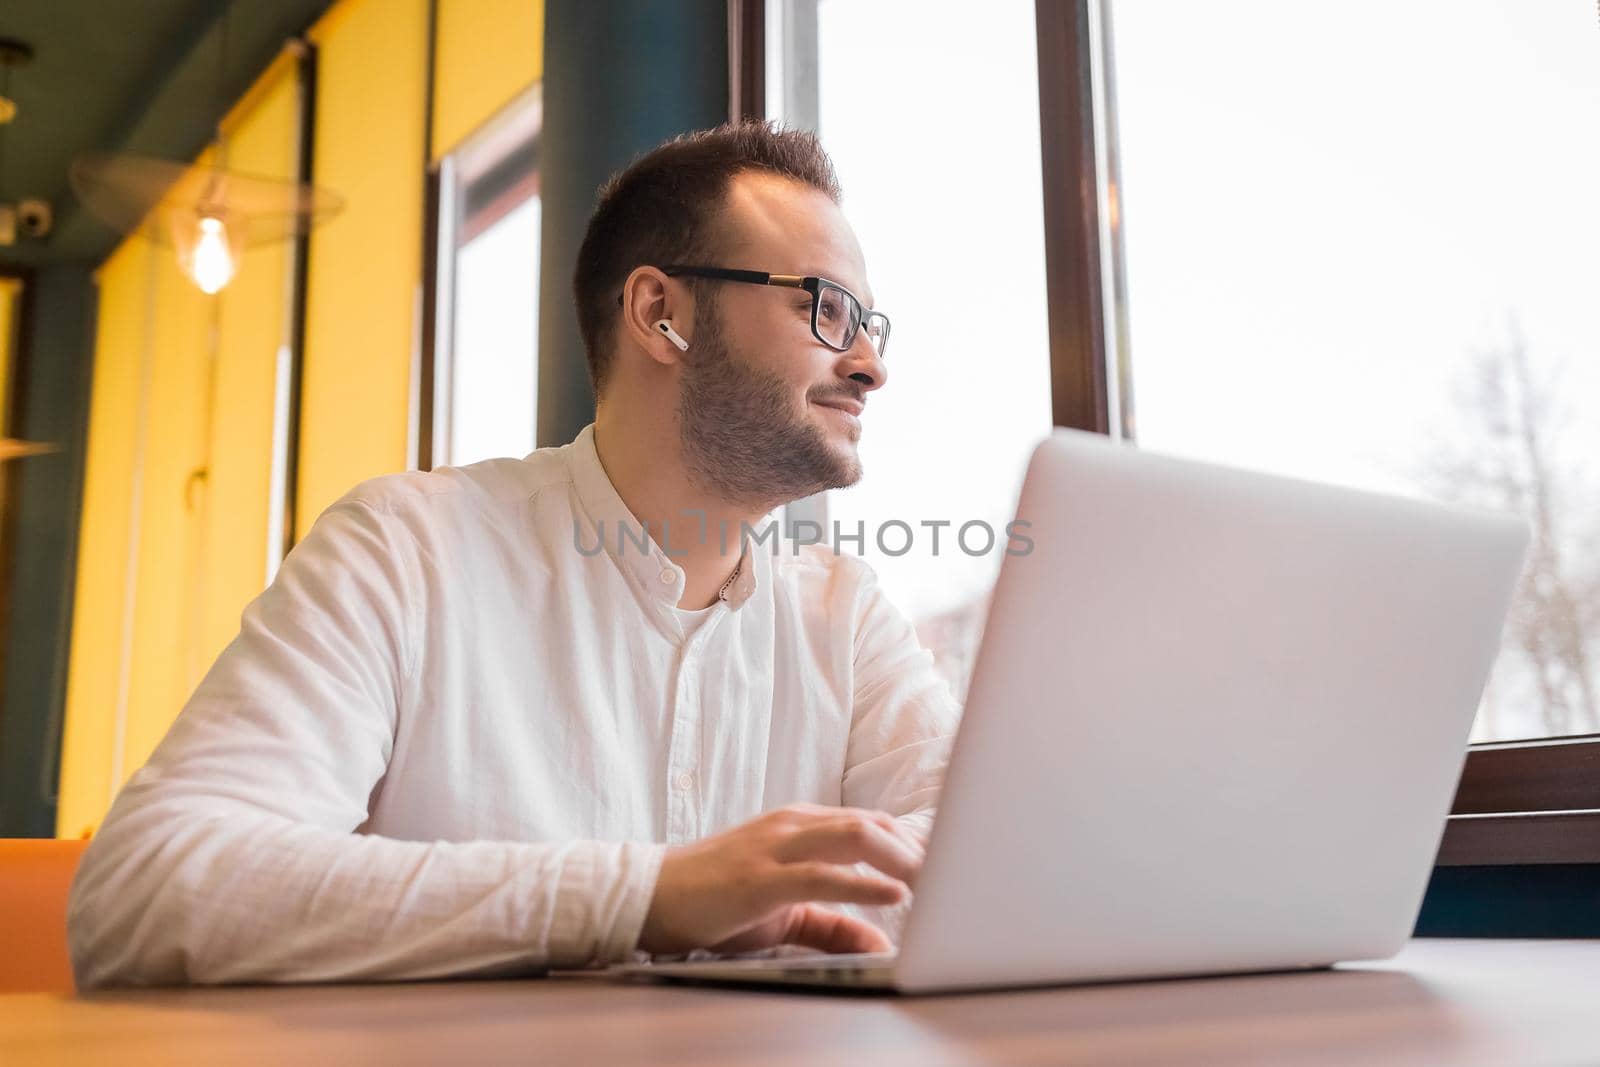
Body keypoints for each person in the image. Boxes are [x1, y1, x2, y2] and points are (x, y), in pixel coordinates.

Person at [66, 121, 959, 987]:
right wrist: (645, 895)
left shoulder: (845, 618)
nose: (872, 364)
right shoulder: (408, 550)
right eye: (828, 309)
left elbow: (991, 856)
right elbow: (146, 887)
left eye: (871, 323)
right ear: (661, 314)